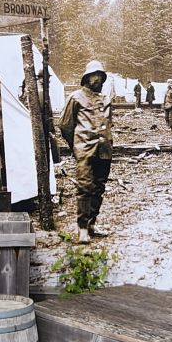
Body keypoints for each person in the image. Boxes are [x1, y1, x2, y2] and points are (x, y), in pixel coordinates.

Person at [59, 61, 115, 243]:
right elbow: (65, 125)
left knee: (99, 187)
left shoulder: (106, 99)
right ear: (86, 77)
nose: (97, 78)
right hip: (85, 151)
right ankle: (82, 227)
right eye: (94, 75)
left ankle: (92, 223)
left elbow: (108, 124)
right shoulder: (76, 97)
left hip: (104, 150)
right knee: (85, 188)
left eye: (100, 75)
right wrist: (77, 146)